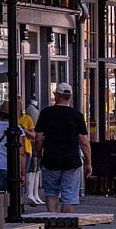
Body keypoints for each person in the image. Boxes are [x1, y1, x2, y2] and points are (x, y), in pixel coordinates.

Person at [35, 83, 92, 213]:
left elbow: (38, 138)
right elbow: (84, 141)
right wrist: (88, 162)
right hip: (71, 160)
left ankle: (52, 225)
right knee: (69, 196)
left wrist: (38, 155)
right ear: (70, 97)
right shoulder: (77, 115)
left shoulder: (46, 113)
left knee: (51, 193)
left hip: (50, 159)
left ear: (56, 96)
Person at [20, 98, 44, 205]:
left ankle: (28, 195)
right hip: (22, 149)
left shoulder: (28, 117)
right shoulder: (32, 111)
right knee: (27, 172)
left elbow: (34, 134)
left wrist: (23, 130)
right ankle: (27, 195)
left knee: (27, 172)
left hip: (26, 149)